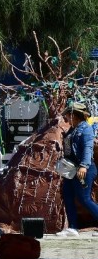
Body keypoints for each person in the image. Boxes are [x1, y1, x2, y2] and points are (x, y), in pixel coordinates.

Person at [56, 101, 98, 237]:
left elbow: (87, 148)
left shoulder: (85, 128)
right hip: (71, 170)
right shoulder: (72, 129)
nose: (66, 117)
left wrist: (84, 166)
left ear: (74, 114)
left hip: (83, 168)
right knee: (67, 195)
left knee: (84, 198)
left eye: (68, 114)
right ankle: (73, 228)